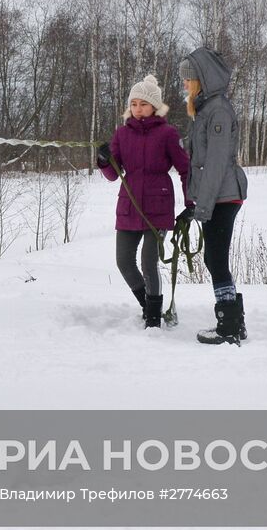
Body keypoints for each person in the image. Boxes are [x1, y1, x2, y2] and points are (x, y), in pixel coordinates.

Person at [96, 75, 190, 329]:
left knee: (149, 261)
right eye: (134, 104)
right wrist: (104, 160)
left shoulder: (168, 134)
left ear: (155, 107)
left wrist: (191, 202)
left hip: (157, 207)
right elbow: (113, 174)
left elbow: (185, 169)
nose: (138, 109)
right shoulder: (121, 134)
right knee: (124, 262)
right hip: (128, 206)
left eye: (143, 104)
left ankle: (154, 317)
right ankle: (146, 305)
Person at [176, 48, 249, 345]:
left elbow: (216, 163)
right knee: (214, 257)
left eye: (188, 79)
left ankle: (229, 325)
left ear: (201, 79)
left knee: (215, 257)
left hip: (224, 195)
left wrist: (201, 206)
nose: (184, 84)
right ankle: (232, 319)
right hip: (216, 196)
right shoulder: (206, 108)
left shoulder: (217, 110)